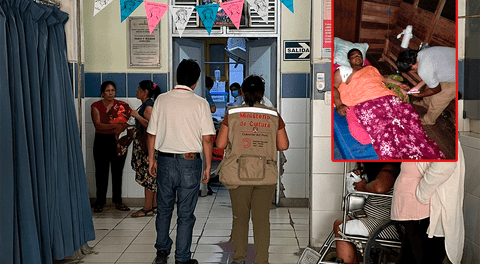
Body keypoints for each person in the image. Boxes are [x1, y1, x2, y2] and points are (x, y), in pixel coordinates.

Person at [215, 75, 290, 264]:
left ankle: (239, 259)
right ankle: (262, 260)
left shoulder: (232, 114)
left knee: (240, 218)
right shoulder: (273, 115)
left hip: (237, 175)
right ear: (262, 94)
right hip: (265, 176)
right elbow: (283, 145)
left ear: (242, 92)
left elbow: (221, 143)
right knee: (262, 220)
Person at [147, 59, 215, 264]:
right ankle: (182, 258)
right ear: (195, 82)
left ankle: (161, 251)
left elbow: (151, 134)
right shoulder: (201, 103)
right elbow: (208, 139)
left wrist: (152, 159)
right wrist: (208, 166)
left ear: (177, 77)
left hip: (165, 161)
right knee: (186, 214)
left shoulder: (161, 100)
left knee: (164, 209)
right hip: (189, 163)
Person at [333, 48, 445, 160]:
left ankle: (417, 146)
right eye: (353, 56)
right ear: (348, 60)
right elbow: (333, 87)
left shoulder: (371, 68)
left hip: (387, 97)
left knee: (409, 117)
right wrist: (338, 104)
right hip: (366, 102)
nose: (357, 57)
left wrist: (399, 84)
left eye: (359, 55)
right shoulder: (343, 70)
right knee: (385, 129)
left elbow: (384, 79)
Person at [392, 143, 465, 264]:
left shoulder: (440, 133)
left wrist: (422, 194)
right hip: (414, 209)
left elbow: (445, 165)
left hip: (421, 209)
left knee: (417, 259)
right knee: (411, 259)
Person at [333, 162, 401, 264]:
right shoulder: (380, 171)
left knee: (340, 228)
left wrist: (363, 186)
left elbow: (379, 187)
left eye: (363, 162)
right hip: (373, 218)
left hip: (385, 224)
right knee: (338, 222)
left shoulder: (390, 167)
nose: (361, 165)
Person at [91, 81, 132, 213]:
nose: (110, 93)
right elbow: (98, 125)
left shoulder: (122, 106)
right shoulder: (96, 106)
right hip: (101, 141)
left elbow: (129, 122)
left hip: (117, 142)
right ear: (102, 93)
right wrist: (116, 126)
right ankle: (100, 201)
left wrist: (122, 127)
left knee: (117, 172)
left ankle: (118, 201)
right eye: (108, 91)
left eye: (112, 90)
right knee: (101, 172)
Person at [396, 47, 456, 125]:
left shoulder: (423, 70)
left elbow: (436, 89)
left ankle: (428, 120)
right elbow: (430, 73)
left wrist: (419, 95)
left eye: (410, 70)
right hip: (453, 65)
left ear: (411, 65)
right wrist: (417, 87)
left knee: (438, 99)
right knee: (429, 86)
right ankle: (425, 104)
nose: (413, 71)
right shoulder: (421, 54)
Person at [130, 80, 161, 217]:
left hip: (147, 147)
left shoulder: (148, 107)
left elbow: (151, 126)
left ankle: (147, 208)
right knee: (152, 178)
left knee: (148, 177)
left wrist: (136, 116)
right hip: (147, 146)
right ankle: (153, 206)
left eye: (139, 88)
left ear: (145, 92)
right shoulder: (148, 105)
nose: (137, 91)